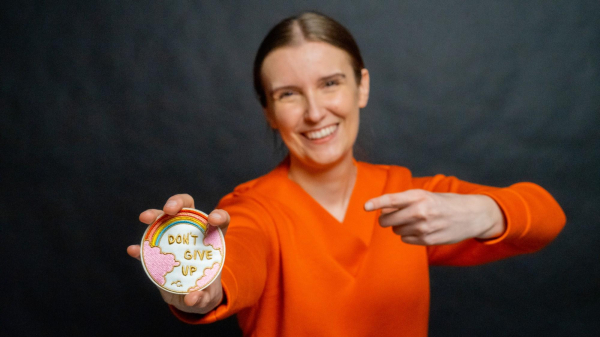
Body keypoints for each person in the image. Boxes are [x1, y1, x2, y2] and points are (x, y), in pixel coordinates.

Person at [127, 11, 566, 336]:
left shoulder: (410, 197)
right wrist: (205, 283)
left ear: (363, 86)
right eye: (288, 94)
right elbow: (238, 256)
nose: (316, 112)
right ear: (268, 112)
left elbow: (549, 218)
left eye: (331, 83)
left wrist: (484, 213)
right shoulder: (251, 209)